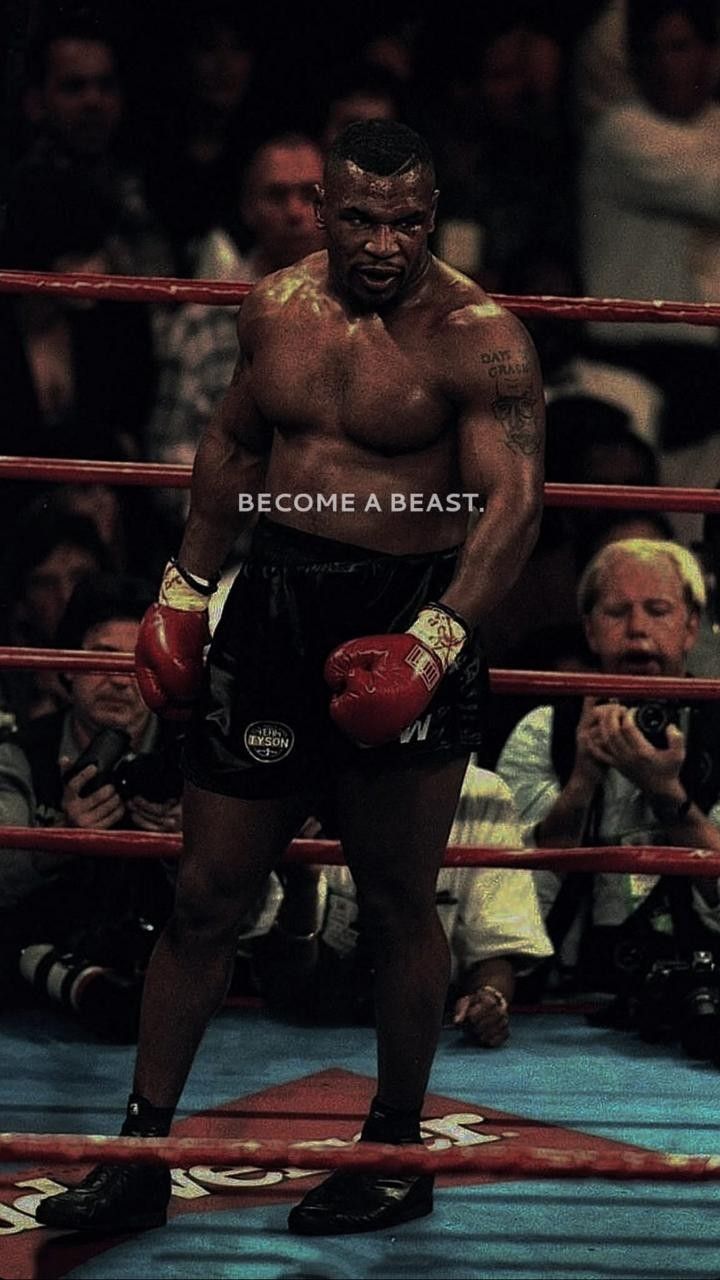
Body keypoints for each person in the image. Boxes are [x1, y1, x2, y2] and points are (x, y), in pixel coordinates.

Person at [37, 119, 544, 1237]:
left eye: (407, 221)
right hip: (272, 606)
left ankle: (396, 1146)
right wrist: (182, 588)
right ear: (319, 207)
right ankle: (138, 1148)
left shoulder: (482, 336)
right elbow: (230, 445)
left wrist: (436, 641)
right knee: (206, 890)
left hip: (408, 609)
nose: (382, 243)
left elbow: (511, 508)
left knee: (404, 893)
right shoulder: (276, 306)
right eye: (360, 217)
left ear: (436, 214)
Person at [496, 538, 720, 997]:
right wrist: (582, 782)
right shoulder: (544, 730)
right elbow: (506, 898)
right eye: (617, 612)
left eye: (658, 610)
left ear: (691, 627)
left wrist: (665, 793)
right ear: (590, 630)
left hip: (704, 988)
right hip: (564, 992)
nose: (637, 629)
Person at [0, 574, 180, 1037]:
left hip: (168, 948)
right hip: (45, 939)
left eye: (139, 662)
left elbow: (254, 892)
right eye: (102, 658)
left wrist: (194, 846)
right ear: (68, 670)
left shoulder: (192, 758)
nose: (121, 680)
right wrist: (58, 842)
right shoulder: (23, 752)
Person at [254, 767, 553, 1044]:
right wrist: (303, 886)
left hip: (428, 1027)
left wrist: (488, 998)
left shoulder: (478, 794)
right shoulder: (302, 782)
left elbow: (496, 948)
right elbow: (284, 986)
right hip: (306, 1027)